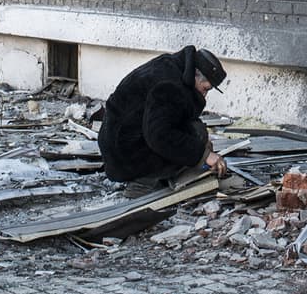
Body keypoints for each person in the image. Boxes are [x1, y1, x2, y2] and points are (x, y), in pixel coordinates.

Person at [98, 45, 229, 190]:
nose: (204, 95)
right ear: (195, 75)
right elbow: (159, 135)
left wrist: (202, 149)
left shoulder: (173, 67)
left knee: (196, 131)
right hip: (124, 156)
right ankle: (143, 182)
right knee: (196, 134)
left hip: (118, 142)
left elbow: (174, 116)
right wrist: (203, 155)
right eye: (205, 89)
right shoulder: (169, 86)